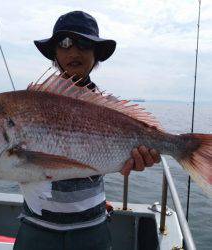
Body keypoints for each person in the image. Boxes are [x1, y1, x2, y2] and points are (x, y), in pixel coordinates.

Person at [13, 11, 160, 250]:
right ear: (55, 54)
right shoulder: (32, 102)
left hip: (91, 228)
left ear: (96, 54)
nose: (73, 51)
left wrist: (141, 158)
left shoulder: (110, 108)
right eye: (64, 43)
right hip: (37, 225)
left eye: (84, 43)